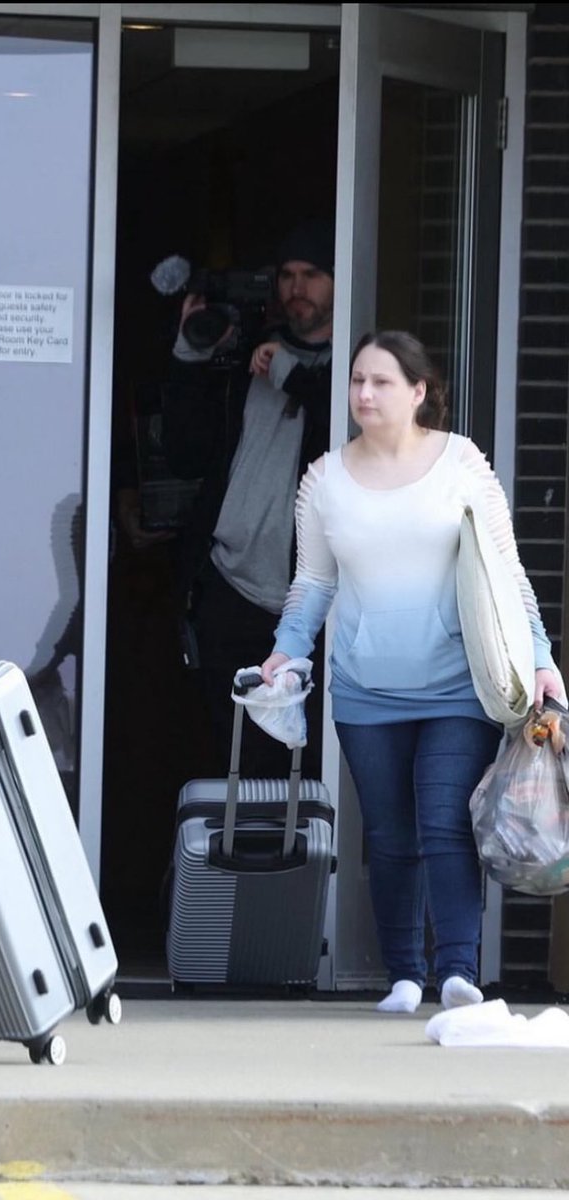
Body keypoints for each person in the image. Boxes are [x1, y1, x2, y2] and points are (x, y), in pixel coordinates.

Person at [261, 329, 565, 1014]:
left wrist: (542, 659)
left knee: (444, 821)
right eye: (357, 381)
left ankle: (457, 971)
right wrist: (287, 649)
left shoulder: (462, 463)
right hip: (367, 691)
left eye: (382, 382)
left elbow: (505, 570)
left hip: (458, 685)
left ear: (420, 391)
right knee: (391, 835)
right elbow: (312, 582)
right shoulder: (325, 480)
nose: (364, 394)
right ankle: (403, 976)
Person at [161, 218, 334, 779]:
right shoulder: (247, 360)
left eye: (311, 275)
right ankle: (232, 868)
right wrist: (190, 357)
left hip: (309, 602)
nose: (296, 289)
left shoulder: (357, 368)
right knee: (230, 753)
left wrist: (293, 378)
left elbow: (358, 441)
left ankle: (300, 868)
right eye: (287, 275)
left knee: (301, 761)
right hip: (230, 586)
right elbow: (186, 454)